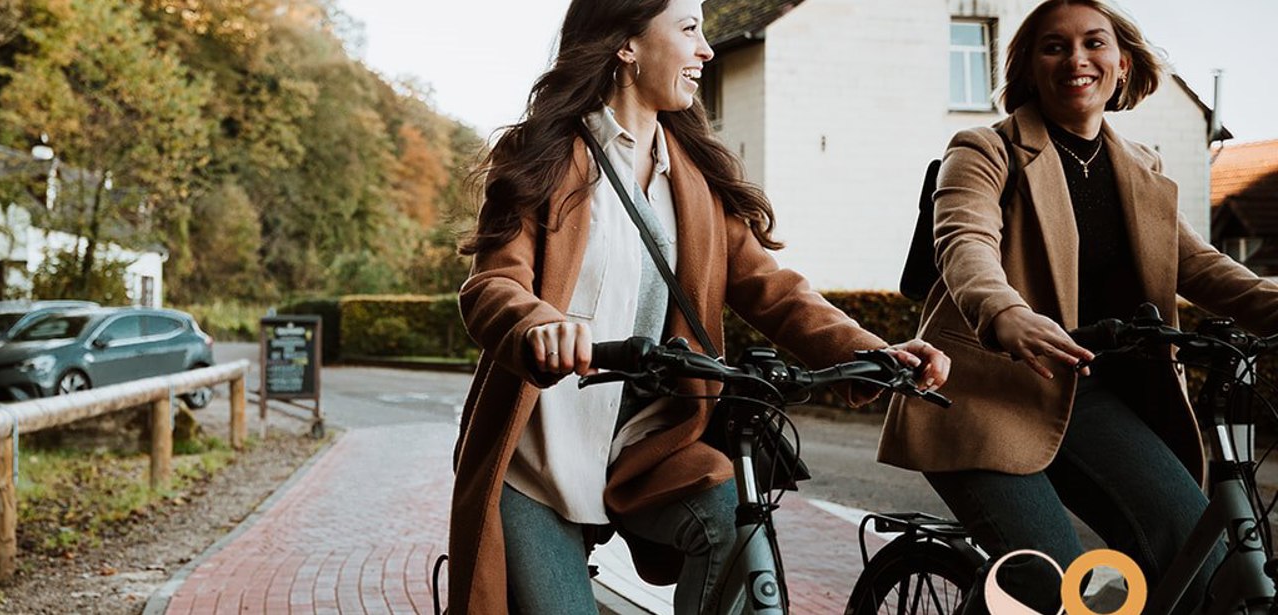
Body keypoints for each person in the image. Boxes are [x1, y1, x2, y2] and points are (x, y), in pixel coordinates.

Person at [450, 0, 951, 612]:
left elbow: (773, 288)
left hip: (646, 451)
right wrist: (537, 324)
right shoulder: (544, 154)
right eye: (689, 29)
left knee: (732, 518)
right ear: (626, 44)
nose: (707, 50)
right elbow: (492, 284)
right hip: (539, 461)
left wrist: (872, 351)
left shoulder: (696, 180)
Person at [877, 1, 1278, 613]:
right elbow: (964, 241)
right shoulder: (985, 150)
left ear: (1122, 64)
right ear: (1030, 68)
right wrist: (1003, 312)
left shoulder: (1140, 168)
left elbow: (1202, 269)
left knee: (1198, 551)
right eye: (1054, 47)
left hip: (1088, 396)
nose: (1076, 59)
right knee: (1053, 586)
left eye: (1094, 43)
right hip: (983, 396)